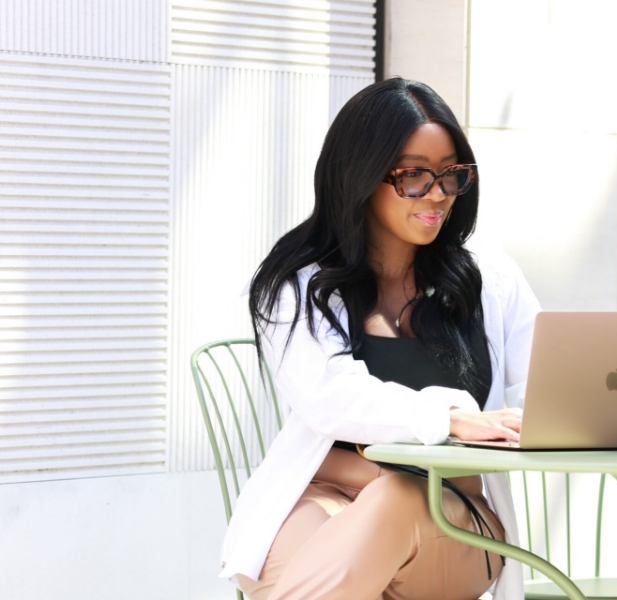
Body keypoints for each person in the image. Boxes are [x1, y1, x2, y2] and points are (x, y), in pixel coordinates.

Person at [219, 77, 541, 600]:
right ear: (362, 176)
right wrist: (448, 418)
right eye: (414, 175)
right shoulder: (300, 283)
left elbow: (544, 388)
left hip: (453, 515)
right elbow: (330, 397)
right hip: (322, 495)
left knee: (394, 498)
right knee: (322, 553)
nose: (437, 193)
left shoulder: (490, 281)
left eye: (450, 175)